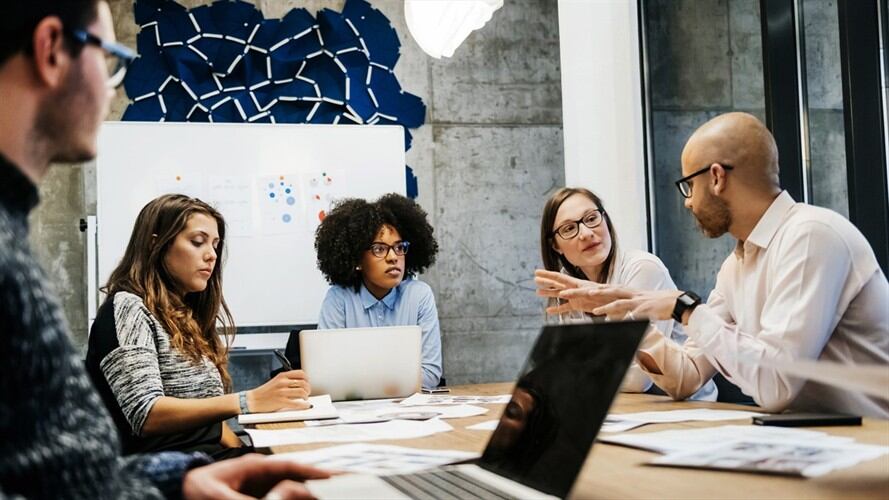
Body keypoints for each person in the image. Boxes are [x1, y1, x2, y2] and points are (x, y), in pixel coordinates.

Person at [0, 1, 328, 497]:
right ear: (50, 50)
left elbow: (65, 467)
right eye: (108, 59)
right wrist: (243, 408)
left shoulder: (13, 236)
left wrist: (187, 478)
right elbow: (136, 420)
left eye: (214, 244)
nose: (112, 89)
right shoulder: (123, 305)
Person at [537, 112, 889, 418]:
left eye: (688, 186)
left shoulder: (811, 235)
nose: (688, 202)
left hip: (870, 445)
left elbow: (776, 385)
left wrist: (684, 308)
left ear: (717, 177)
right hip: (811, 440)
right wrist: (624, 311)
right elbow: (686, 377)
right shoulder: (735, 266)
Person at [86, 194, 312, 458]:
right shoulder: (128, 308)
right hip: (164, 469)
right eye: (197, 242)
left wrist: (249, 451)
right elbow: (146, 413)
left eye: (215, 245)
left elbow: (208, 423)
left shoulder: (184, 316)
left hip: (203, 458)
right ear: (155, 244)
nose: (211, 255)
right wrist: (248, 401)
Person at [537, 187, 716, 401]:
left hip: (685, 406)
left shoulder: (643, 268)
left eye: (592, 218)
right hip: (621, 406)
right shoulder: (566, 284)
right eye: (568, 229)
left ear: (605, 219)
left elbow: (638, 379)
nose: (586, 233)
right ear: (555, 246)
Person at [314, 193, 443, 388]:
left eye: (399, 247)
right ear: (357, 259)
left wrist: (361, 380)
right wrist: (395, 379)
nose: (393, 257)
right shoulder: (339, 298)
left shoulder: (419, 296)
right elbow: (327, 374)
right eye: (379, 249)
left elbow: (431, 374)